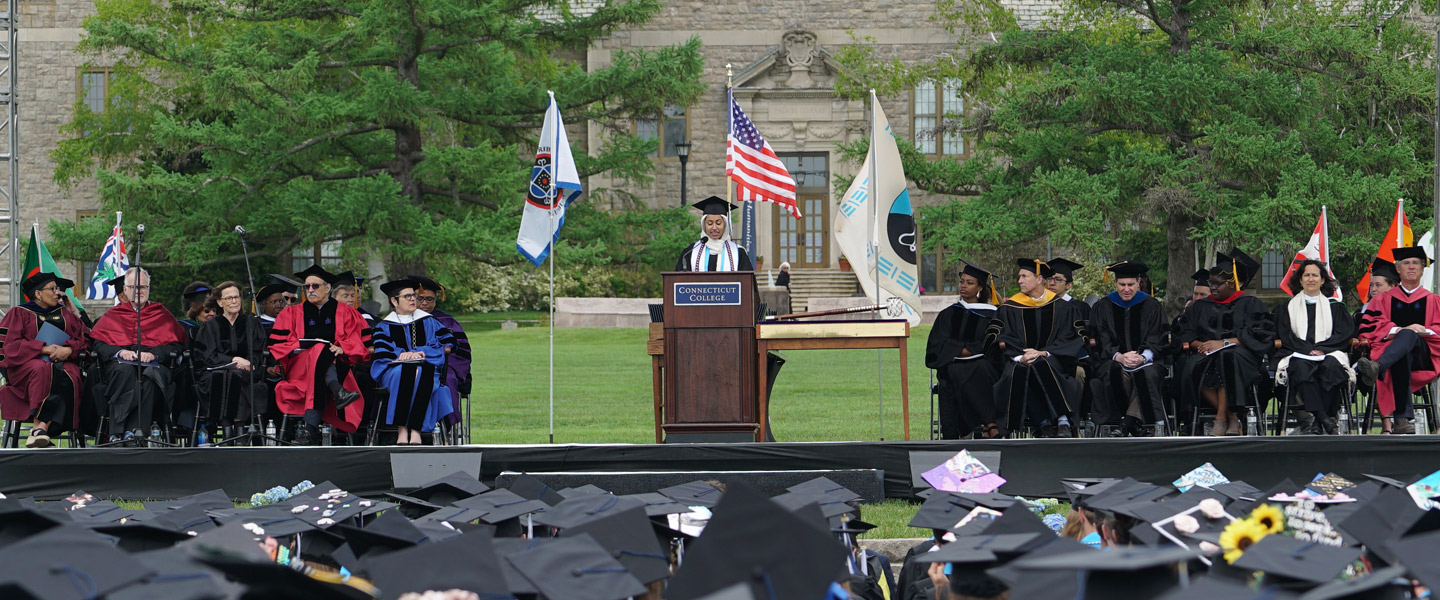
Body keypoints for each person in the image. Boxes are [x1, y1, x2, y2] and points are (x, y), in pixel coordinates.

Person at [268, 265, 368, 445]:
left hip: (339, 367)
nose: (310, 290)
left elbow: (363, 345)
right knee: (319, 348)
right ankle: (337, 390)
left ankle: (310, 431)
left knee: (321, 350)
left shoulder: (347, 313)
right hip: (300, 369)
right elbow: (278, 346)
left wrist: (343, 348)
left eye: (315, 286)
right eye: (307, 287)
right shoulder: (291, 313)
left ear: (328, 288)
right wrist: (301, 345)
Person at [986, 259, 1086, 437]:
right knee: (1024, 369)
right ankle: (1047, 422)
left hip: (1056, 358)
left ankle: (1060, 421)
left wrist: (1045, 352)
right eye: (1019, 277)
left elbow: (1071, 336)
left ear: (1039, 279)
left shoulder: (1062, 307)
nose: (1019, 281)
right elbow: (1003, 337)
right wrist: (1020, 357)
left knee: (1043, 364)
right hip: (1019, 359)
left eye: (1024, 276)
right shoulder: (1010, 308)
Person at [1177, 249, 1271, 436]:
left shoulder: (1250, 303)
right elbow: (1185, 333)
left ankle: (1220, 420)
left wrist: (1225, 342)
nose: (1212, 287)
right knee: (1191, 366)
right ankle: (1232, 418)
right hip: (1206, 354)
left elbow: (1261, 334)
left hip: (1241, 354)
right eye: (1211, 283)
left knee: (1227, 357)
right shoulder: (1201, 306)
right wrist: (1200, 345)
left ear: (1236, 283)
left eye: (1218, 284)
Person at [90, 268, 187, 443]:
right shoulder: (113, 315)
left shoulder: (161, 314)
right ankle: (118, 432)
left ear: (149, 289)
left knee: (151, 377)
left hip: (154, 366)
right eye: (133, 286)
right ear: (125, 290)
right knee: (125, 371)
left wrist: (154, 354)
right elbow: (99, 344)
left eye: (143, 286)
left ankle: (134, 431)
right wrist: (120, 352)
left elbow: (177, 345)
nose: (139, 291)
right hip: (120, 366)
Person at [0, 273, 91, 448]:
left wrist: (69, 349)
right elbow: (9, 347)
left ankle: (39, 430)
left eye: (57, 289)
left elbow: (85, 338)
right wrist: (42, 348)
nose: (58, 293)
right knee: (43, 368)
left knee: (71, 373)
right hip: (25, 371)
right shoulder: (18, 313)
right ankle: (40, 430)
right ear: (38, 294)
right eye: (52, 288)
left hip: (62, 364)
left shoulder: (65, 314)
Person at [1357, 246, 1440, 435]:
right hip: (1396, 356)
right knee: (1402, 352)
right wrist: (1399, 330)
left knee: (1409, 336)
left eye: (1416, 263)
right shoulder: (1381, 300)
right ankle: (1402, 419)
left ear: (1422, 269)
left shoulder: (1434, 300)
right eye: (1406, 263)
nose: (1411, 267)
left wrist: (1422, 330)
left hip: (1424, 355)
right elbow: (1368, 328)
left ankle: (1378, 366)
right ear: (1398, 269)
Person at [371, 279, 456, 445]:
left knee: (422, 371)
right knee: (408, 371)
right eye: (407, 296)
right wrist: (401, 355)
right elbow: (381, 350)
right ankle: (403, 430)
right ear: (394, 301)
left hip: (425, 366)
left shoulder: (429, 321)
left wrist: (420, 352)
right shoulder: (384, 326)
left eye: (414, 296)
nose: (413, 300)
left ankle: (414, 431)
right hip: (394, 370)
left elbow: (449, 342)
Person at [1089, 261, 1169, 437]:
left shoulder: (1152, 305)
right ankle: (1134, 423)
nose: (1126, 289)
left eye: (1131, 284)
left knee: (1146, 373)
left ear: (1139, 283)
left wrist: (1143, 357)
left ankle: (1126, 423)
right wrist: (1119, 356)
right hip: (1113, 359)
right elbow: (1101, 338)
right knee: (1116, 372)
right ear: (1115, 283)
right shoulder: (1103, 306)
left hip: (1148, 360)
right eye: (1122, 284)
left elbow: (1158, 336)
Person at [1274, 260, 1354, 435]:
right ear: (1300, 280)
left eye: (1315, 275)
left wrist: (1323, 349)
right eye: (1306, 275)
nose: (1311, 279)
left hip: (1329, 352)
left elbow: (1343, 333)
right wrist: (1306, 350)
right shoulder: (1288, 307)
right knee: (1301, 367)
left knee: (1331, 367)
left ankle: (1318, 420)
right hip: (1299, 353)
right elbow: (1286, 334)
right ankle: (1325, 419)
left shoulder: (1335, 307)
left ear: (1323, 280)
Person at [925, 261, 1003, 439]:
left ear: (980, 288)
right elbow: (936, 346)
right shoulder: (948, 314)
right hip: (953, 365)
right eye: (962, 281)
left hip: (984, 367)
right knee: (958, 371)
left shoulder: (992, 314)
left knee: (977, 369)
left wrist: (963, 350)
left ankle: (966, 430)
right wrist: (964, 350)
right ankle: (989, 424)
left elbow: (992, 344)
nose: (963, 286)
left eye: (970, 283)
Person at [193, 281, 270, 443]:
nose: (234, 301)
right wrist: (233, 360)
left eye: (236, 297)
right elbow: (206, 356)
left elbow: (258, 350)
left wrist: (250, 362)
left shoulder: (251, 323)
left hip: (247, 371)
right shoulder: (210, 326)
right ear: (220, 302)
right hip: (215, 372)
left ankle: (233, 429)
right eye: (229, 298)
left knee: (235, 374)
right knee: (226, 374)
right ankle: (234, 429)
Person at [411, 275, 471, 419]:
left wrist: (440, 364)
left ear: (436, 300)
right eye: (420, 299)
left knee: (448, 378)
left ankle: (446, 424)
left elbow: (461, 353)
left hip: (442, 367)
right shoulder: (401, 320)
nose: (425, 303)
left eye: (430, 299)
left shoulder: (447, 321)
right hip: (409, 366)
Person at [675, 196, 754, 272]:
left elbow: (747, 283)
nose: (714, 228)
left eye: (718, 223)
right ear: (704, 225)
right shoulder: (690, 252)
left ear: (725, 225)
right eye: (710, 223)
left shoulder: (738, 252)